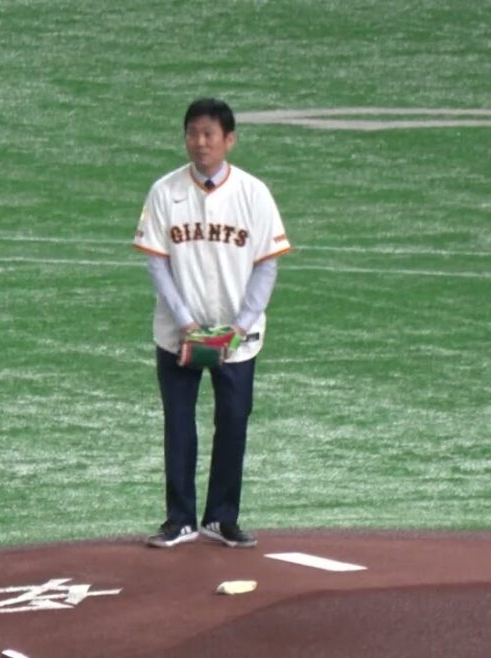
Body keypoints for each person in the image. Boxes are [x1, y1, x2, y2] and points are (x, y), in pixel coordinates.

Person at [133, 98, 292, 549]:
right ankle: (179, 518)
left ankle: (222, 517)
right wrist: (185, 321)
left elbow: (267, 265)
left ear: (229, 140)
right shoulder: (164, 191)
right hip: (176, 335)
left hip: (237, 339)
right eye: (192, 134)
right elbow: (157, 263)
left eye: (209, 134)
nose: (199, 143)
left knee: (234, 421)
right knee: (179, 423)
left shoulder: (253, 194)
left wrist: (240, 325)